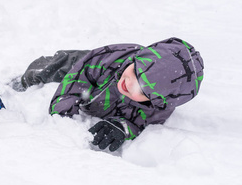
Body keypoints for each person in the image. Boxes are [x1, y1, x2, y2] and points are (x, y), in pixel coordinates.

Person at [12, 37, 204, 151]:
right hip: (84, 65)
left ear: (156, 100)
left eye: (142, 89)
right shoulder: (114, 58)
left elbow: (141, 124)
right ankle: (23, 80)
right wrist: (63, 111)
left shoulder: (159, 107)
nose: (130, 83)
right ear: (137, 59)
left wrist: (122, 127)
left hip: (104, 101)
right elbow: (77, 78)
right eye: (135, 72)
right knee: (53, 66)